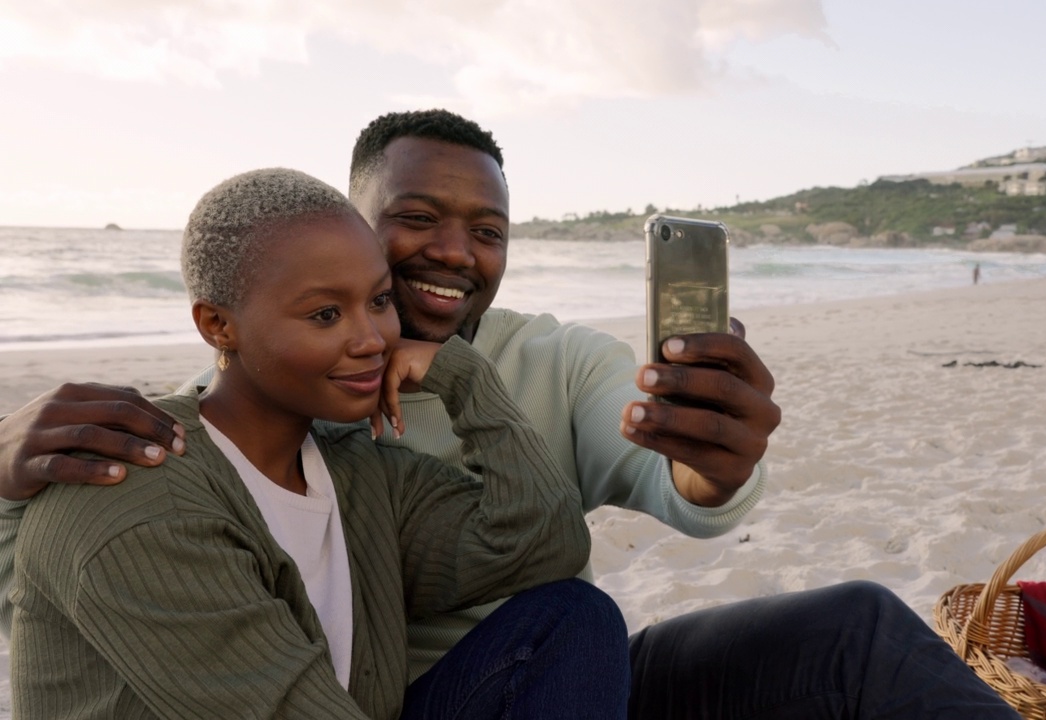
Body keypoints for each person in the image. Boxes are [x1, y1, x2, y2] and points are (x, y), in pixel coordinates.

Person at [0, 110, 1018, 718]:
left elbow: (661, 494)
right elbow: (71, 564)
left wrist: (716, 454)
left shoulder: (542, 367)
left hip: (553, 681)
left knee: (848, 630)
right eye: (413, 220)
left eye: (484, 229)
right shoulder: (241, 408)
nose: (452, 251)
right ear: (344, 227)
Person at [8, 168, 629, 719]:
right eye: (325, 314)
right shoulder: (136, 495)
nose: (372, 340)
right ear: (217, 324)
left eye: (379, 301)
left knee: (571, 618)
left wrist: (461, 375)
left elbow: (546, 542)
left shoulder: (355, 469)